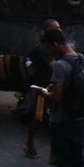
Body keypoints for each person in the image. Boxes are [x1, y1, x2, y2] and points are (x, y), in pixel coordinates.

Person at [40, 28, 84, 167]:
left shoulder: (60, 65)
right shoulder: (82, 59)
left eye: (49, 48)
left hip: (61, 121)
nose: (49, 52)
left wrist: (45, 93)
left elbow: (58, 97)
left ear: (55, 44)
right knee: (79, 162)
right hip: (78, 118)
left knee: (64, 165)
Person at [24, 19, 61, 159]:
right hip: (43, 88)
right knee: (39, 118)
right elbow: (54, 66)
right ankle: (29, 145)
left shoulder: (50, 47)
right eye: (55, 28)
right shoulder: (44, 49)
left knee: (52, 119)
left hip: (51, 86)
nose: (59, 30)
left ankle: (52, 153)